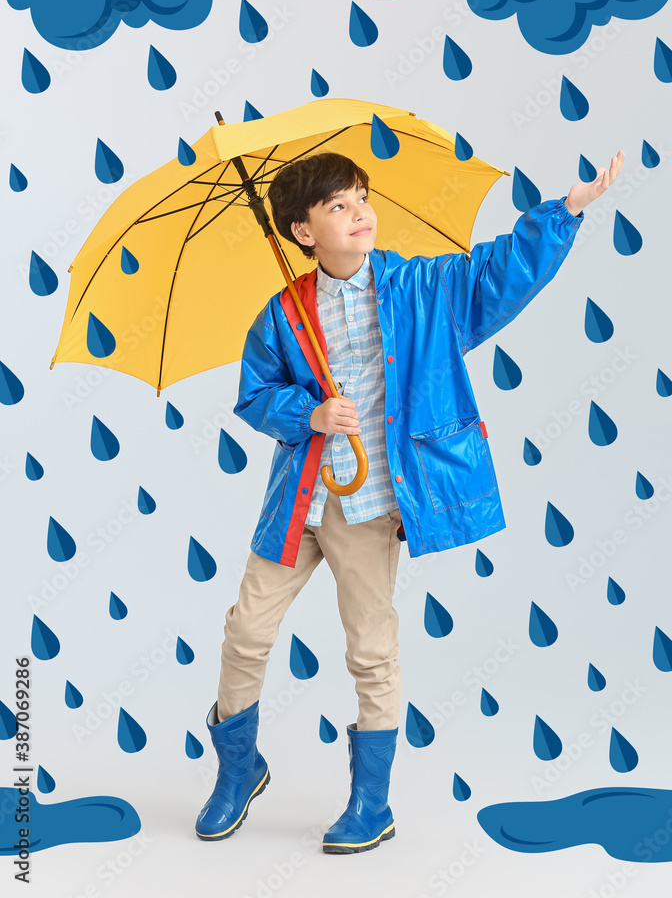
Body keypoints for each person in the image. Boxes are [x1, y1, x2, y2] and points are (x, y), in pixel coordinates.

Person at [195, 147, 624, 853]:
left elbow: (496, 273)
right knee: (247, 629)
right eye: (338, 205)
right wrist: (307, 415)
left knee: (370, 647)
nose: (359, 212)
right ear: (303, 232)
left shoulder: (421, 287)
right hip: (297, 505)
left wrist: (564, 212)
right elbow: (254, 393)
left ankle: (372, 803)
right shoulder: (284, 312)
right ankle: (239, 770)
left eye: (361, 197)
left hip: (370, 505)